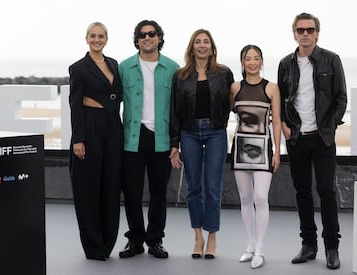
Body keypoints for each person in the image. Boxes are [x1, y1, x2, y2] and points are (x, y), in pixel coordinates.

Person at [278, 12, 347, 270]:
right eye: (300, 30)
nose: (305, 34)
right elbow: (284, 99)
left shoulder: (331, 59)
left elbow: (341, 97)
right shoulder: (286, 64)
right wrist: (285, 126)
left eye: (309, 30)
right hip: (296, 138)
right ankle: (308, 245)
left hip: (322, 138)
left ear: (317, 33)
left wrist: (329, 126)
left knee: (327, 191)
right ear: (294, 33)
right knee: (302, 192)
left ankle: (332, 248)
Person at [170, 29, 234, 260]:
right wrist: (174, 144)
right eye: (198, 42)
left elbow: (234, 101)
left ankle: (213, 236)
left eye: (206, 41)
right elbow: (175, 111)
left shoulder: (223, 73)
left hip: (216, 131)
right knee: (193, 187)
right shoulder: (181, 75)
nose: (202, 45)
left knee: (213, 187)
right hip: (189, 132)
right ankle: (198, 237)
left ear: (212, 47)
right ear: (192, 47)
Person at [118, 19, 179, 259]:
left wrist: (177, 143)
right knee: (131, 192)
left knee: (158, 192)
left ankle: (155, 240)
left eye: (152, 34)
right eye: (142, 35)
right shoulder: (124, 68)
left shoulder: (173, 68)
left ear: (160, 38)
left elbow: (178, 110)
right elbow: (113, 102)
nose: (147, 37)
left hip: (161, 138)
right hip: (132, 137)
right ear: (137, 40)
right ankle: (135, 240)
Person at [68, 22, 123, 261]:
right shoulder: (78, 68)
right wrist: (78, 138)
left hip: (113, 127)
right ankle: (93, 246)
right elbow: (75, 104)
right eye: (93, 36)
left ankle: (108, 242)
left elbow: (118, 95)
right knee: (88, 187)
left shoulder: (114, 64)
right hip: (89, 127)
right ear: (86, 39)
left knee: (111, 185)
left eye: (101, 36)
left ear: (106, 39)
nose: (97, 39)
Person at [229, 45, 281, 269]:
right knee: (245, 198)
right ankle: (250, 246)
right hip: (240, 147)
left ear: (261, 61)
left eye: (256, 58)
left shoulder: (271, 88)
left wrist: (278, 150)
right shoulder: (235, 87)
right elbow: (231, 114)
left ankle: (260, 248)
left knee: (261, 197)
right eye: (247, 59)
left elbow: (277, 121)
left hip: (263, 148)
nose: (251, 62)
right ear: (242, 62)